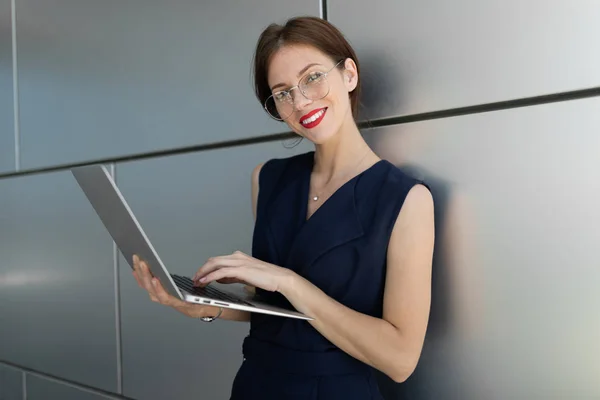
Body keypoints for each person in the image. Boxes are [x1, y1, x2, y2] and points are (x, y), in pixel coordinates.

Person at [132, 16, 435, 400]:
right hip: (257, 383)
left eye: (311, 77)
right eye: (282, 93)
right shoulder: (269, 179)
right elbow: (270, 308)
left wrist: (289, 281)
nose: (300, 101)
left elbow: (400, 359)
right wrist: (205, 307)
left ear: (349, 74)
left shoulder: (405, 199)